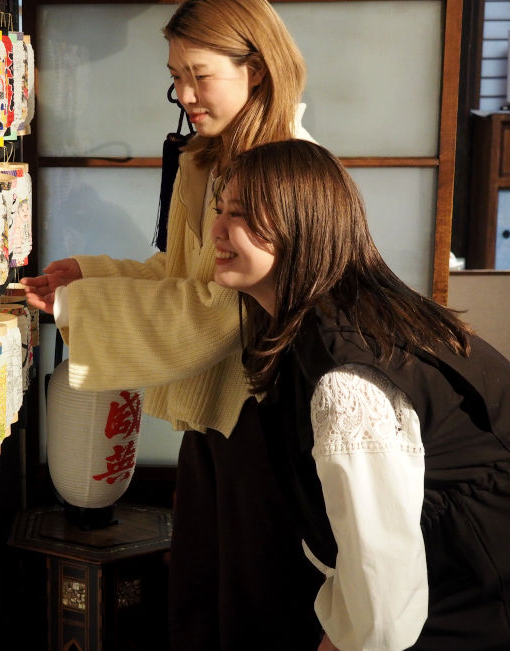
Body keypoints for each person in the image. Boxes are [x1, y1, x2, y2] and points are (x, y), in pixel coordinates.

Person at [22, 0, 323, 649]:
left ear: (256, 69)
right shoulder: (210, 157)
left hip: (268, 417)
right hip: (223, 409)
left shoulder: (285, 169)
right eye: (176, 76)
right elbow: (182, 274)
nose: (185, 94)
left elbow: (220, 311)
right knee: (202, 590)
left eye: (200, 75)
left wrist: (80, 305)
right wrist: (92, 275)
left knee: (249, 603)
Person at [211, 138, 510, 650]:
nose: (216, 229)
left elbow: (384, 604)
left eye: (238, 214)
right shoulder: (339, 313)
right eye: (219, 210)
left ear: (299, 225)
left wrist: (345, 638)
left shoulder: (348, 379)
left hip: (473, 602)